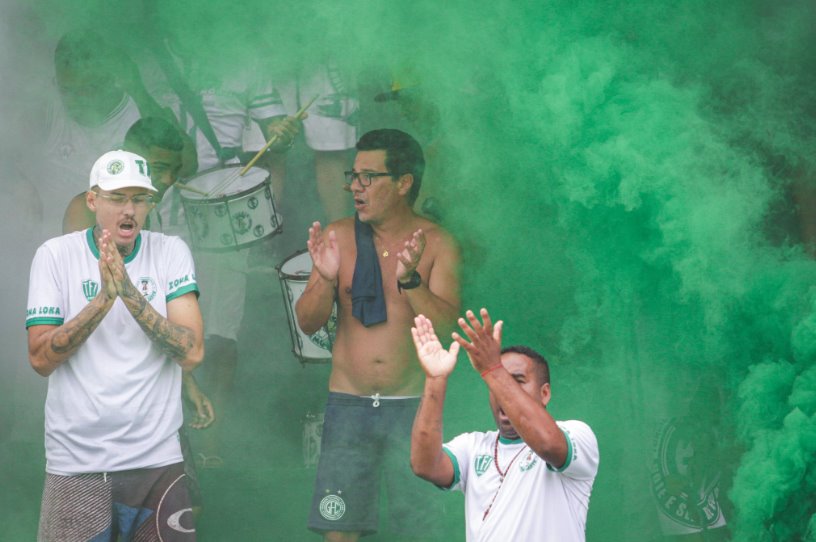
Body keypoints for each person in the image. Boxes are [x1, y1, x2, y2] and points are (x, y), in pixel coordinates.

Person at [27, 149, 205, 541]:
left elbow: (192, 352)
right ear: (92, 200)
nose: (130, 210)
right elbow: (40, 359)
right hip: (77, 463)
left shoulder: (170, 251)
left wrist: (128, 293)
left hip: (158, 461)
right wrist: (103, 300)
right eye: (117, 198)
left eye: (140, 199)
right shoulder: (55, 256)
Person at [296, 128, 460, 540]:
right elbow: (307, 322)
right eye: (353, 176)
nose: (355, 186)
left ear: (404, 183)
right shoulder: (339, 236)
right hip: (349, 403)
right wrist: (324, 278)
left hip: (411, 406)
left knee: (419, 528)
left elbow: (446, 329)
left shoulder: (437, 243)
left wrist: (412, 282)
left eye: (368, 177)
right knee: (340, 530)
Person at [409, 309, 600, 542]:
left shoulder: (578, 435)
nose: (501, 391)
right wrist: (435, 379)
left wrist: (493, 369)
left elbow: (549, 444)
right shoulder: (473, 446)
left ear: (545, 393)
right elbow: (424, 465)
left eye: (516, 381)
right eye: (496, 384)